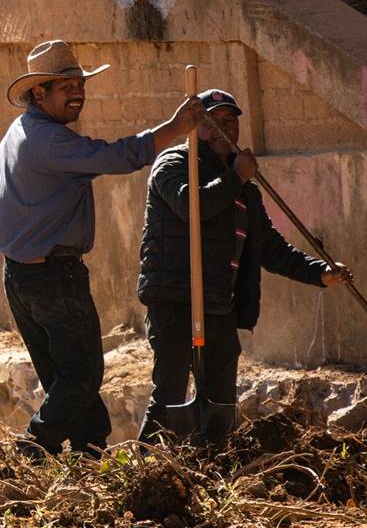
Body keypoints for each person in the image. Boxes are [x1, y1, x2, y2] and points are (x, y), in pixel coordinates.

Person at [0, 40, 206, 457]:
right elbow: (117, 156)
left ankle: (90, 452)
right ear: (39, 92)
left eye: (80, 84)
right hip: (52, 276)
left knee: (63, 376)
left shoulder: (21, 131)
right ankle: (33, 447)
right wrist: (174, 129)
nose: (78, 93)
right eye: (66, 86)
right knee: (83, 373)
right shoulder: (49, 141)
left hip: (21, 274)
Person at [136, 88, 353, 441]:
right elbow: (193, 207)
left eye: (231, 122)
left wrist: (319, 273)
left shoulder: (245, 190)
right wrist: (235, 177)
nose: (224, 130)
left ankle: (211, 464)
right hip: (175, 299)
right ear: (196, 128)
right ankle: (146, 468)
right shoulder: (175, 164)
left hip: (218, 303)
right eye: (214, 122)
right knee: (170, 395)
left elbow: (269, 248)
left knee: (220, 400)